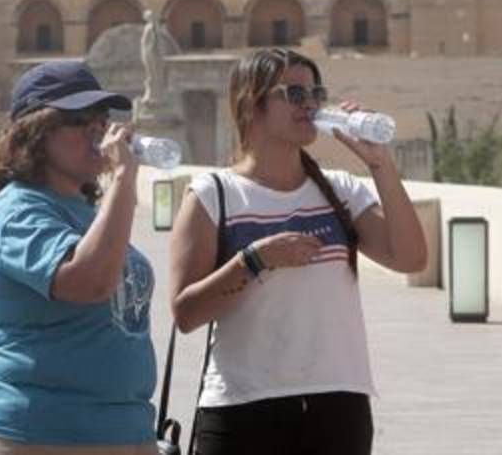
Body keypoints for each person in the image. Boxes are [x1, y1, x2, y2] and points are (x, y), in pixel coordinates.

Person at [167, 47, 428, 455]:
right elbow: (186, 314)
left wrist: (381, 166)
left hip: (338, 405)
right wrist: (254, 260)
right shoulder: (214, 195)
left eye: (314, 93)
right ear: (250, 105)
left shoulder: (341, 190)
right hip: (244, 406)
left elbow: (410, 258)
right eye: (293, 94)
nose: (309, 104)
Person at [0, 60, 156, 454]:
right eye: (81, 119)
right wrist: (123, 180)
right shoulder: (16, 212)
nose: (98, 131)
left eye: (102, 119)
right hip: (43, 433)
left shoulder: (86, 212)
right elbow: (89, 282)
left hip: (124, 429)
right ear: (35, 133)